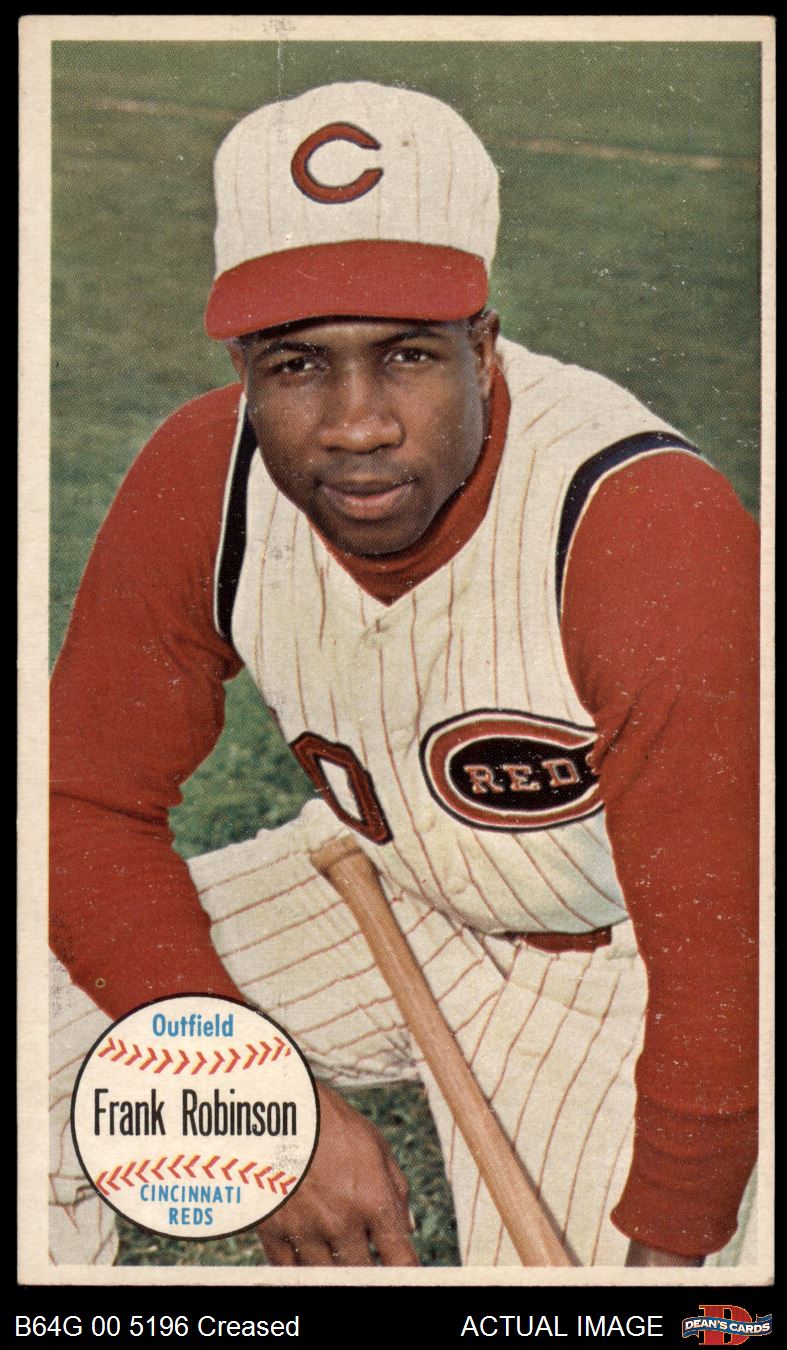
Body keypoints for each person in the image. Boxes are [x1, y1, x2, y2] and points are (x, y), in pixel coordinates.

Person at [49, 81, 758, 1270]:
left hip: (634, 961)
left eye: (408, 355)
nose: (357, 423)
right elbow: (81, 801)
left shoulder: (638, 522)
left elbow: (725, 939)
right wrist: (243, 1097)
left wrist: (675, 1246)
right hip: (387, 884)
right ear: (242, 366)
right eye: (297, 364)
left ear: (483, 346)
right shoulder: (203, 478)